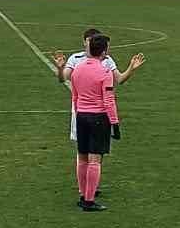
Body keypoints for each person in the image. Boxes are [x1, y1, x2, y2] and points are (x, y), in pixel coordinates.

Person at [53, 27, 144, 153]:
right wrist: (60, 68)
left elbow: (120, 79)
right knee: (83, 151)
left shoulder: (107, 60)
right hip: (81, 109)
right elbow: (63, 79)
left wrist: (131, 68)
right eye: (90, 40)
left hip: (100, 111)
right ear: (85, 42)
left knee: (96, 153)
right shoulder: (75, 59)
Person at [69, 33, 120, 212]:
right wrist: (115, 122)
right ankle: (90, 201)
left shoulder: (77, 69)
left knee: (82, 158)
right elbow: (109, 100)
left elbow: (74, 96)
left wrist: (79, 112)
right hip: (98, 118)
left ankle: (83, 195)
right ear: (104, 51)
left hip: (81, 115)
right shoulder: (105, 72)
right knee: (95, 160)